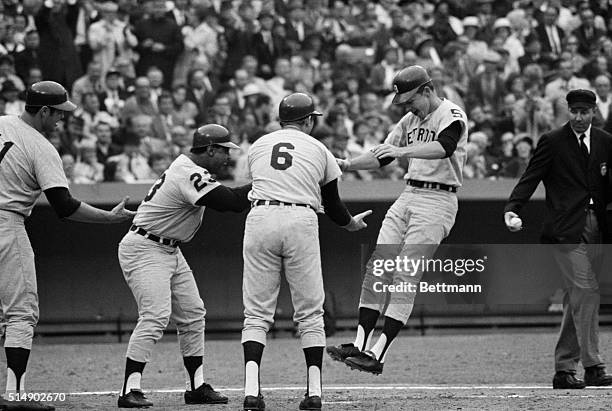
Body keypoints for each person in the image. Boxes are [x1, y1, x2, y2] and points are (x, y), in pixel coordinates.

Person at [0, 81, 135, 411]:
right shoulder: (41, 146)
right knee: (20, 313)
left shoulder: (2, 121)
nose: (62, 119)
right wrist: (108, 218)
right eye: (59, 113)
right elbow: (63, 206)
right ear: (44, 111)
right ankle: (15, 396)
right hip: (5, 222)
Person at [326, 65, 468, 375]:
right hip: (409, 194)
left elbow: (445, 148)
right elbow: (383, 156)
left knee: (405, 274)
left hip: (438, 199)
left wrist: (401, 150)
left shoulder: (452, 113)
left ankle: (378, 353)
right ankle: (361, 345)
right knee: (379, 266)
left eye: (410, 100)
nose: (407, 106)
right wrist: (346, 164)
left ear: (427, 91)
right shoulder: (410, 120)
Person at [241, 92, 371, 411]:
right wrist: (350, 224)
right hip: (300, 219)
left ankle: (251, 392)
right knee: (310, 314)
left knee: (256, 314)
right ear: (309, 120)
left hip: (260, 217)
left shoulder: (258, 145)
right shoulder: (318, 148)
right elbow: (333, 203)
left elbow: (259, 182)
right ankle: (313, 393)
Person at [117, 124, 252, 408]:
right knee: (155, 316)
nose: (227, 157)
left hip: (169, 248)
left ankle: (196, 386)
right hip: (145, 246)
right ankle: (129, 389)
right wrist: (267, 179)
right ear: (210, 149)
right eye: (224, 150)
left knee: (192, 314)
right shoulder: (188, 171)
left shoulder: (192, 169)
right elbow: (232, 203)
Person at [504, 89, 612, 389]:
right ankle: (593, 364)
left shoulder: (605, 141)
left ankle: (565, 370)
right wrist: (512, 209)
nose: (578, 117)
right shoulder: (552, 141)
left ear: (594, 112)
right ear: (567, 110)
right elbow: (531, 177)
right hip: (564, 230)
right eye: (573, 111)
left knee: (577, 297)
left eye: (584, 112)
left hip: (598, 228)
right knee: (586, 291)